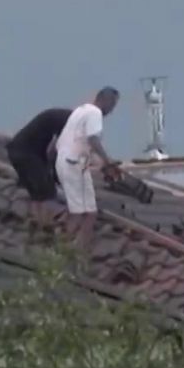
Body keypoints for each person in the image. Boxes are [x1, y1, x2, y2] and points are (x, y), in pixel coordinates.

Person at [54, 87, 122, 253]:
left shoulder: (79, 111)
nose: (111, 111)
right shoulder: (94, 113)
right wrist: (108, 162)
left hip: (74, 163)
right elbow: (93, 139)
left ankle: (79, 249)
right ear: (104, 100)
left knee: (90, 212)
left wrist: (98, 163)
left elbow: (64, 142)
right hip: (72, 164)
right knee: (78, 213)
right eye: (112, 105)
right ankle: (61, 251)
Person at [6, 105, 71, 228]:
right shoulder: (69, 123)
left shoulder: (62, 116)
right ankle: (44, 225)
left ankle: (36, 223)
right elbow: (53, 151)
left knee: (37, 193)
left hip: (17, 150)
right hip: (28, 154)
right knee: (47, 192)